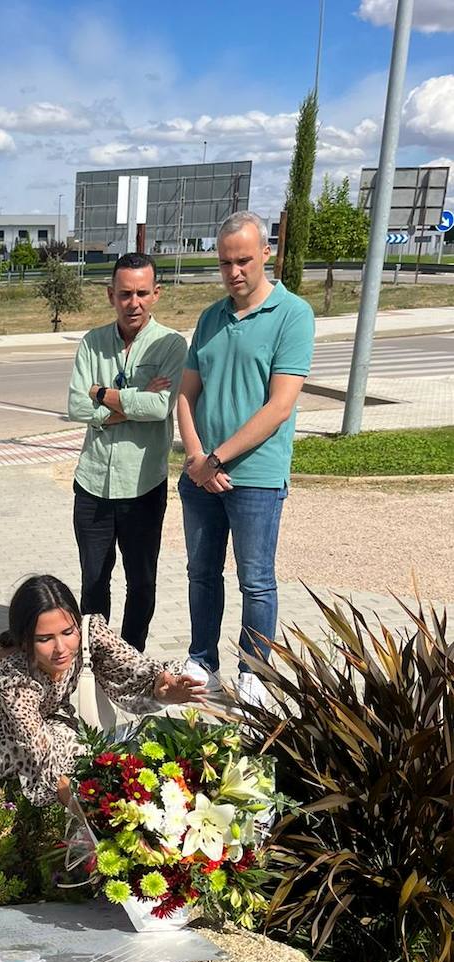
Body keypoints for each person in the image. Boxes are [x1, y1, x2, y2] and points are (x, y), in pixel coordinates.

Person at [176, 211, 314, 709]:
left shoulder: (293, 314)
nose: (234, 272)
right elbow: (186, 395)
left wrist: (216, 458)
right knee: (201, 574)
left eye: (244, 260)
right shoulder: (210, 318)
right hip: (200, 474)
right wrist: (196, 458)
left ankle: (255, 670)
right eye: (225, 262)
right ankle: (202, 662)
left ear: (265, 254)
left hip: (253, 476)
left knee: (255, 579)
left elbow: (279, 406)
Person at [0, 574, 205, 806]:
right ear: (25, 639)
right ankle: (7, 795)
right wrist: (77, 808)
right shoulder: (13, 679)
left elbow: (132, 667)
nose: (61, 647)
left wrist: (161, 686)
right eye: (45, 639)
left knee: (81, 749)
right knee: (68, 753)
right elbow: (38, 748)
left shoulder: (89, 631)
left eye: (68, 632)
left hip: (45, 715)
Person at [67, 252, 188, 651]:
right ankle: (97, 657)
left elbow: (160, 408)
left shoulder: (171, 343)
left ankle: (132, 656)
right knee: (94, 581)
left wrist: (103, 395)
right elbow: (76, 407)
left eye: (140, 293)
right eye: (124, 294)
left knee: (141, 581)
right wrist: (129, 403)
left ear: (156, 294)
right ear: (110, 295)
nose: (132, 302)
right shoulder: (92, 342)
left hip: (142, 486)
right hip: (92, 485)